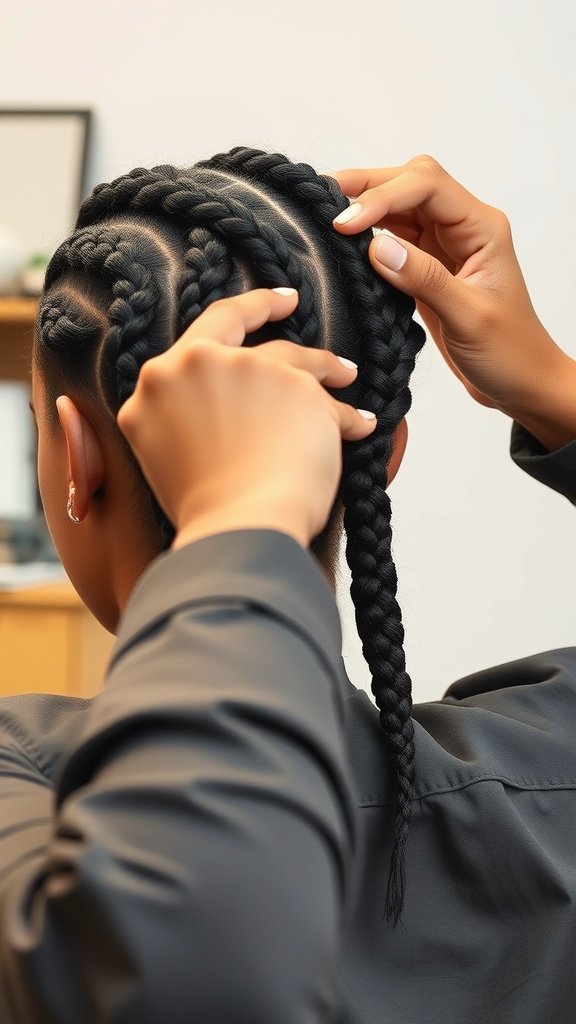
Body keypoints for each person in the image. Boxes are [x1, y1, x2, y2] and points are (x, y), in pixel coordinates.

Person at [0, 149, 574, 1023]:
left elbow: (179, 965)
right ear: (385, 458)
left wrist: (242, 508)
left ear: (73, 457)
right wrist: (556, 387)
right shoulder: (550, 773)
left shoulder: (26, 792)